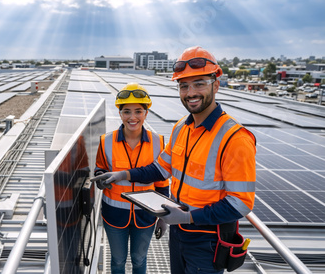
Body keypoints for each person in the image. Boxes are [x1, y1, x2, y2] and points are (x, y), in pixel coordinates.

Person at [91, 46, 256, 273]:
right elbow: (160, 169)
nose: (190, 93)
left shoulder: (235, 138)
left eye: (199, 84)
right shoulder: (182, 128)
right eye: (184, 85)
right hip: (179, 234)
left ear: (216, 84)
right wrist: (123, 174)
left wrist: (189, 217)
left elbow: (241, 204)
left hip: (207, 242)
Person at [93, 83, 169, 274]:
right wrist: (99, 177)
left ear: (146, 113)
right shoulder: (106, 141)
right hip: (114, 214)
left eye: (138, 111)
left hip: (146, 215)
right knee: (118, 261)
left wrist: (163, 218)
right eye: (126, 111)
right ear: (120, 114)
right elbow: (100, 167)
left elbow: (162, 182)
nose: (132, 117)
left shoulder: (158, 141)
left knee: (139, 259)